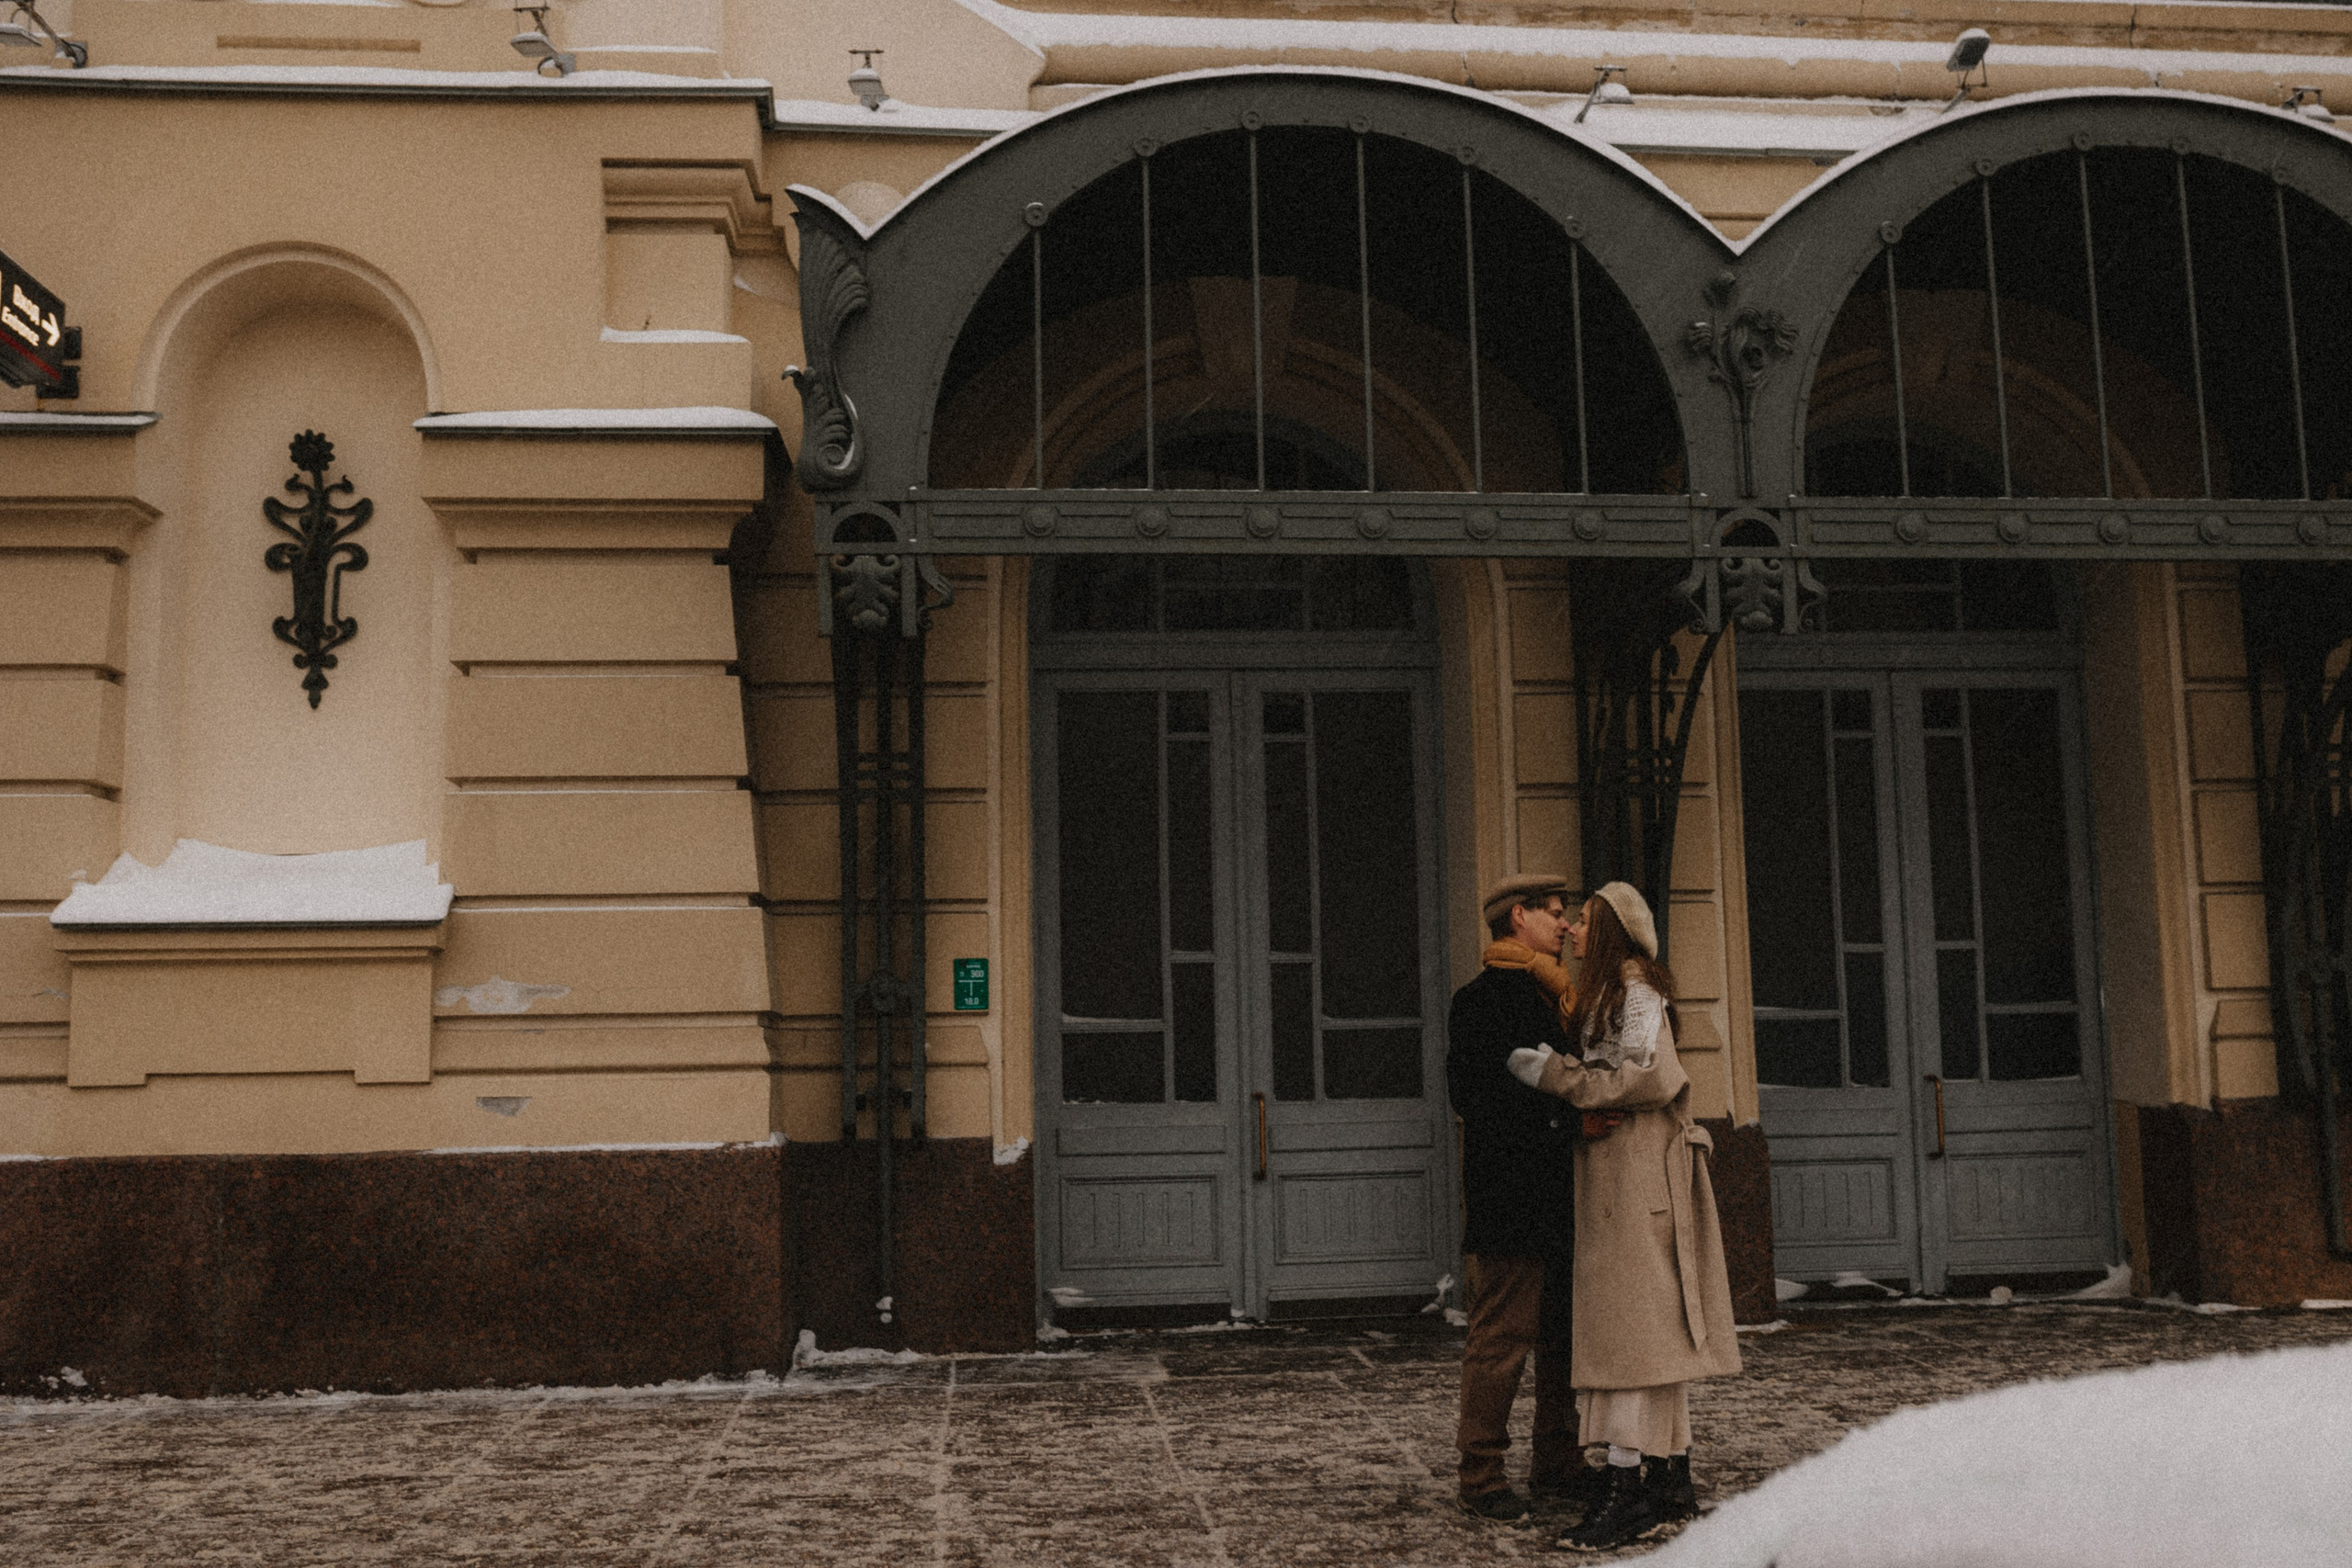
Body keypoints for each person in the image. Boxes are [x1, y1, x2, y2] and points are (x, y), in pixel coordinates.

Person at [1507, 880, 1741, 1552]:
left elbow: (1649, 1077)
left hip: (1641, 1184)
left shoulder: (1635, 987)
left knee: (1632, 1337)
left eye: (1584, 921)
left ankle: (1628, 1485)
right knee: (1644, 1335)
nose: (1574, 930)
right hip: (1627, 1180)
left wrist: (1559, 1076)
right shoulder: (1618, 991)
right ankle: (1670, 1478)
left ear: (1610, 930)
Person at [1443, 872, 1603, 1524]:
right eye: (1554, 913)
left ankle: (1557, 1455)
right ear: (1518, 918)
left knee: (1563, 1333)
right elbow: (1479, 1097)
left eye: (1568, 914)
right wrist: (1571, 1122)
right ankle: (1480, 1469)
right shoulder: (1482, 999)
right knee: (1502, 1337)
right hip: (1512, 1197)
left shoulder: (1557, 996)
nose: (1565, 925)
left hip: (1560, 1193)